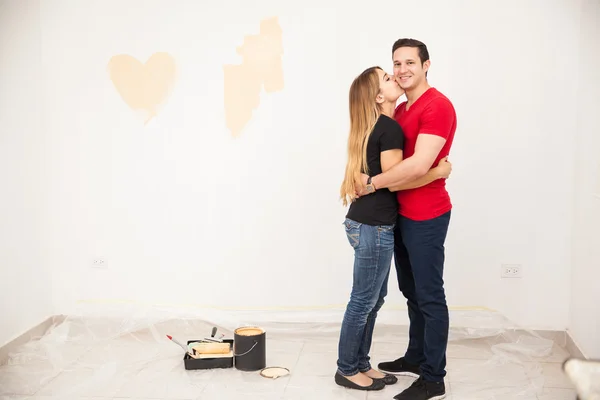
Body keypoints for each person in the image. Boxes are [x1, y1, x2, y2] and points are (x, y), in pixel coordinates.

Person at [336, 65, 452, 392]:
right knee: (364, 302)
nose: (396, 76)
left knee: (372, 300)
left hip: (365, 221)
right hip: (374, 225)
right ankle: (347, 368)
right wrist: (438, 171)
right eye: (387, 77)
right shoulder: (389, 127)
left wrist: (370, 182)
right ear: (377, 96)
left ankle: (360, 364)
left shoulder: (376, 125)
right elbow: (400, 178)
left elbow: (377, 177)